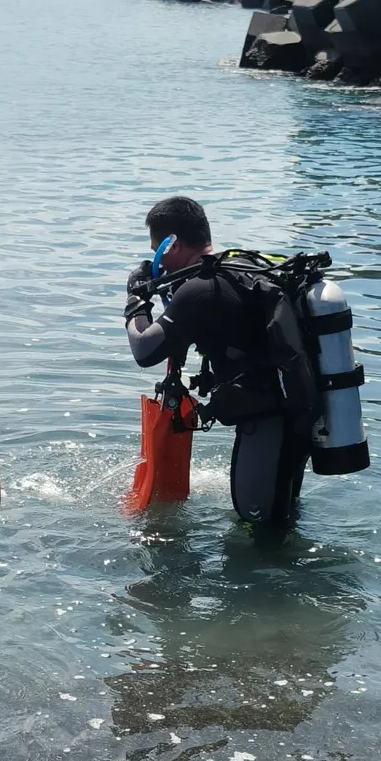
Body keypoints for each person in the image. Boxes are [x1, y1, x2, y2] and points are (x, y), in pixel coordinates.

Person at [124, 196, 312, 524]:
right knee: (281, 513)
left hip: (268, 422)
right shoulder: (232, 270)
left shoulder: (200, 290)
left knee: (257, 521)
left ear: (172, 245)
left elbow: (144, 350)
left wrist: (135, 302)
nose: (158, 265)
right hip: (296, 412)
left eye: (156, 250)